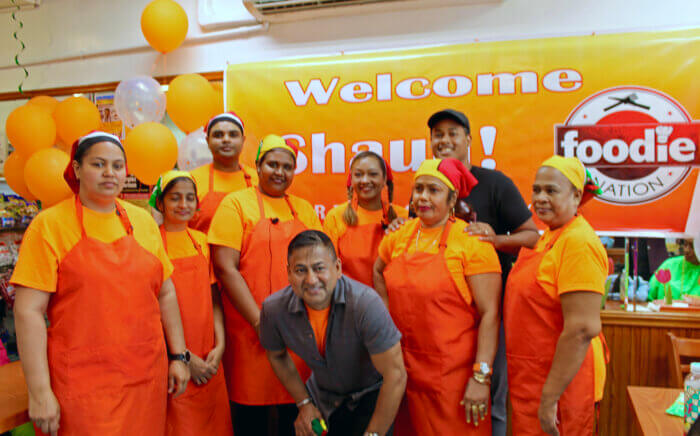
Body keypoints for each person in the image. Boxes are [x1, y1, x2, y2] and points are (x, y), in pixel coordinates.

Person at [11, 131, 190, 436]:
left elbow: (166, 292)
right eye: (98, 164)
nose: (110, 173)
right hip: (82, 385)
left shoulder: (143, 221)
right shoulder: (49, 226)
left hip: (144, 379)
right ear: (77, 169)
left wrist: (179, 356)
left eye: (118, 166)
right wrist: (40, 392)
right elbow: (28, 311)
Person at [428, 108, 539, 435]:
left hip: (491, 311)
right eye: (438, 134)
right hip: (442, 314)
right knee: (447, 393)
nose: (444, 140)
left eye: (453, 133)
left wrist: (496, 239)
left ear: (469, 140)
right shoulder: (429, 184)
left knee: (492, 391)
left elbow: (532, 236)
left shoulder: (495, 183)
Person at [373, 158, 502, 435]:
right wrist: (386, 318)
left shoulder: (472, 243)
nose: (423, 197)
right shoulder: (399, 236)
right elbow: (378, 271)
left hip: (454, 378)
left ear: (453, 197)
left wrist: (481, 377)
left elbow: (490, 314)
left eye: (434, 190)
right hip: (404, 373)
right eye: (418, 189)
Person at [208, 134, 323, 435]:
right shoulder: (236, 204)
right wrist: (260, 322)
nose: (280, 172)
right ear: (258, 166)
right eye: (272, 164)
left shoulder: (304, 209)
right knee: (250, 418)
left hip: (298, 331)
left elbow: (319, 266)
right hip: (249, 333)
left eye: (287, 166)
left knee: (296, 411)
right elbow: (225, 267)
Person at [260, 230, 406, 436]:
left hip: (371, 401)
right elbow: (276, 354)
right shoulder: (273, 309)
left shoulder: (366, 304)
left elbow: (396, 375)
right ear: (288, 272)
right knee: (310, 431)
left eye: (319, 268)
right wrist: (304, 403)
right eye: (300, 270)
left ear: (337, 268)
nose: (311, 280)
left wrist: (374, 434)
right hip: (323, 401)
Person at [505, 155, 608, 436]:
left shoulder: (578, 243)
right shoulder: (550, 236)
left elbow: (581, 329)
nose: (540, 198)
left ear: (576, 196)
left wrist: (549, 398)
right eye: (536, 190)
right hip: (534, 378)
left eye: (551, 190)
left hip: (564, 387)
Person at [149, 170, 233, 436]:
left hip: (209, 359)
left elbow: (214, 298)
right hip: (173, 361)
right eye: (175, 198)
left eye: (189, 198)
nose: (183, 205)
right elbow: (152, 309)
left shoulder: (201, 243)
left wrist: (219, 346)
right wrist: (184, 356)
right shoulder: (150, 244)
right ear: (160, 203)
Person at [323, 151, 408, 286]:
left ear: (384, 178)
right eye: (358, 175)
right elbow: (328, 269)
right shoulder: (335, 217)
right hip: (351, 302)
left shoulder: (402, 217)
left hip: (392, 302)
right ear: (352, 179)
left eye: (373, 174)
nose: (365, 180)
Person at [189, 112, 258, 233]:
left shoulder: (258, 179)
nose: (226, 140)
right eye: (218, 135)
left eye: (233, 135)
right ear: (207, 141)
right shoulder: (192, 180)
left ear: (243, 140)